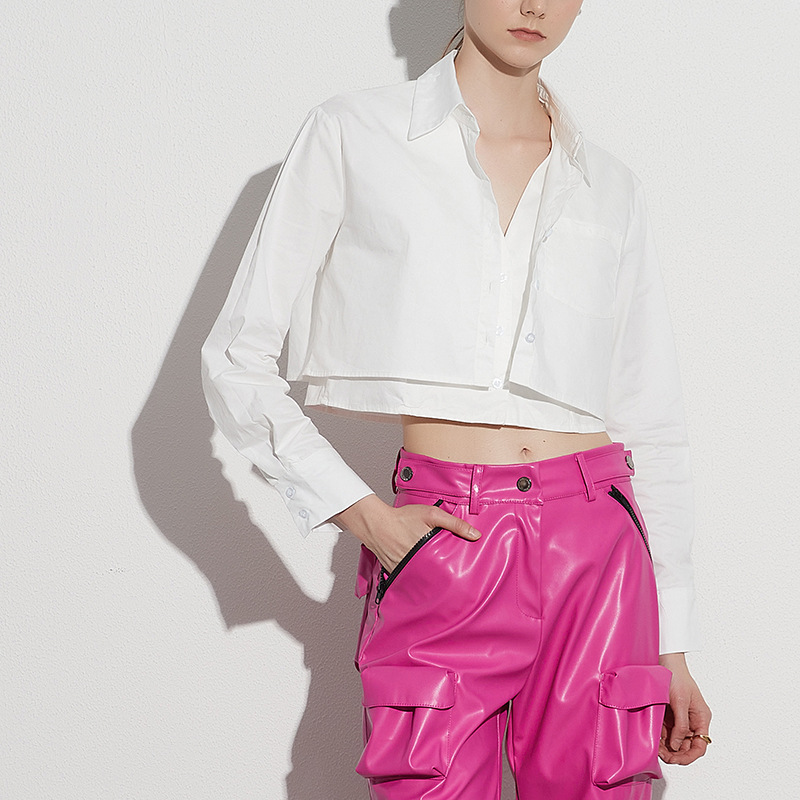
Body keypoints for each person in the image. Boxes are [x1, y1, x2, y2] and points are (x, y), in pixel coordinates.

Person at [201, 1, 712, 797]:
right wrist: (369, 520)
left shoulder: (609, 184)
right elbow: (236, 358)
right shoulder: (354, 134)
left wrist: (671, 643)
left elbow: (652, 418)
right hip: (447, 539)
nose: (534, 4)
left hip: (599, 557)